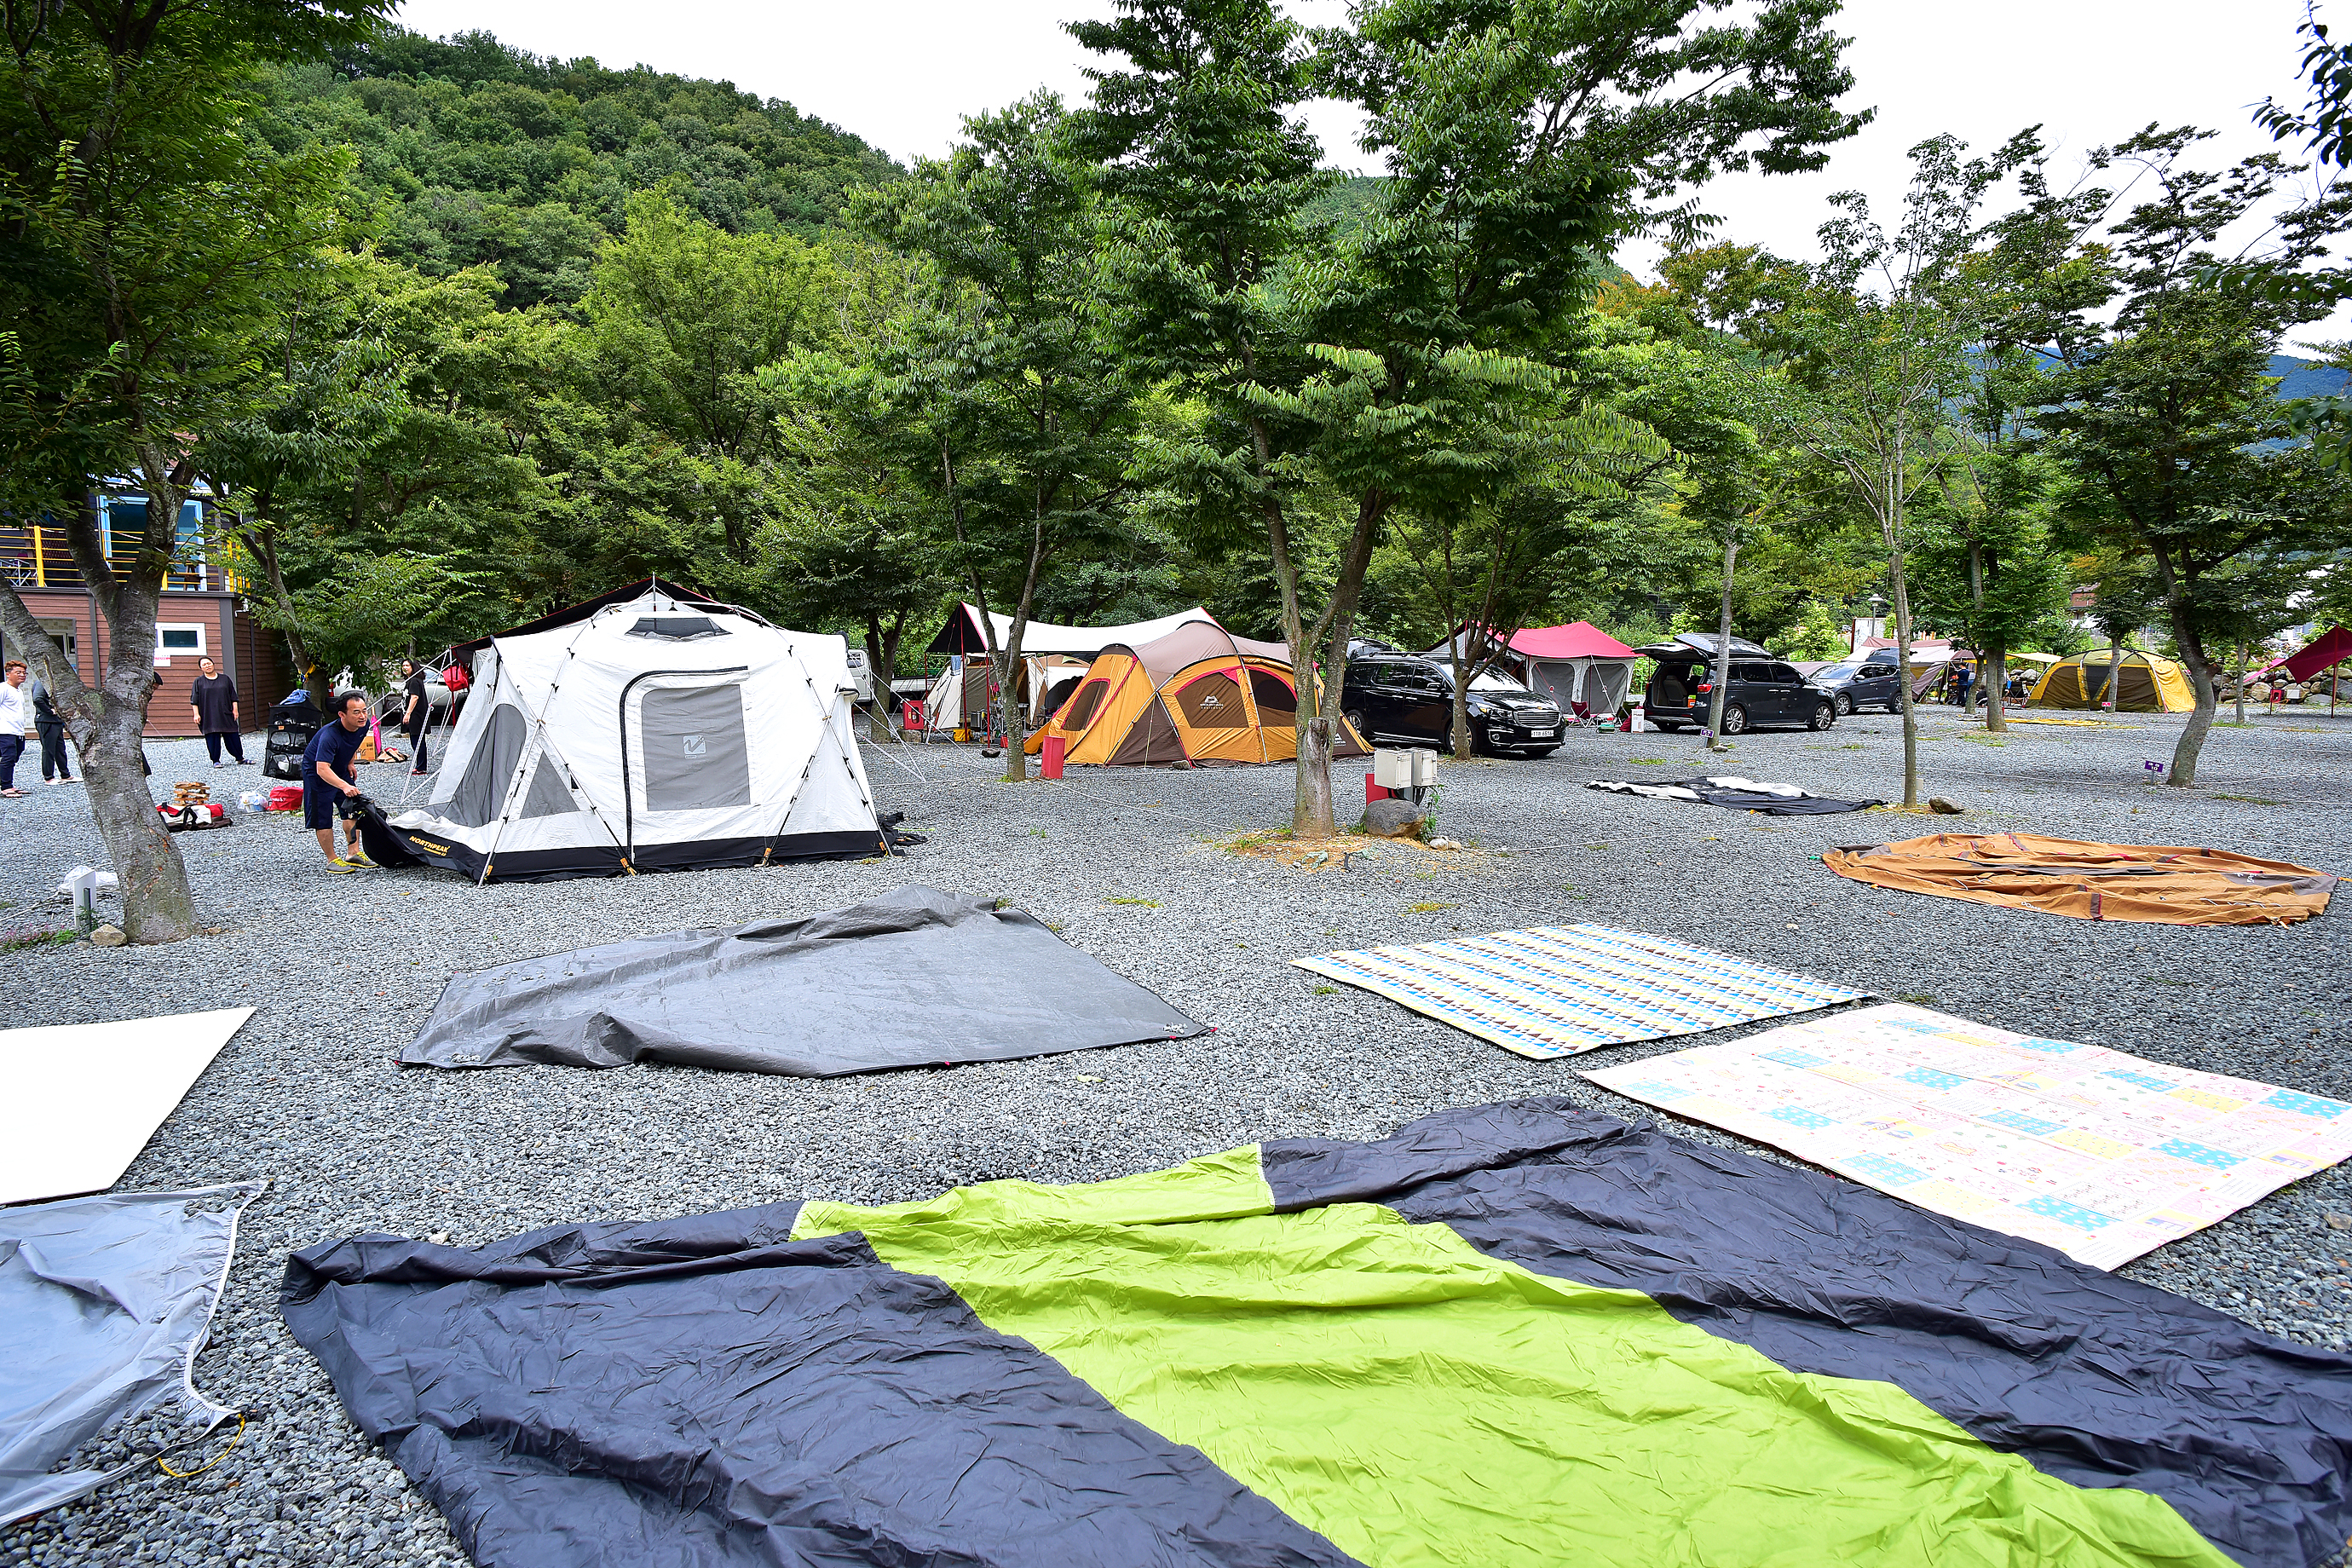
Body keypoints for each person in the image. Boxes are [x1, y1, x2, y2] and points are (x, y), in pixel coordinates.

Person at [303, 689, 378, 872]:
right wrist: (344, 785)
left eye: (364, 710)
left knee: (352, 809)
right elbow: (321, 768)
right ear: (342, 714)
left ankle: (353, 853)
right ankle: (332, 859)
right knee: (323, 815)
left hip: (339, 768)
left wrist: (350, 762)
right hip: (318, 773)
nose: (362, 716)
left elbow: (355, 742)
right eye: (356, 712)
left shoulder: (363, 725)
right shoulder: (330, 735)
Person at [189, 656, 245, 765]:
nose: (207, 666)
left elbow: (233, 696)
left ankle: (239, 758)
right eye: (204, 665)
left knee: (232, 735)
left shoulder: (225, 679)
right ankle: (216, 760)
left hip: (225, 712)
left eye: (209, 663)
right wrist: (196, 714)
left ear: (213, 664)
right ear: (201, 668)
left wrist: (235, 710)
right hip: (208, 714)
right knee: (212, 737)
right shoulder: (199, 682)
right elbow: (194, 700)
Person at [26, 665, 75, 783]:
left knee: (60, 748)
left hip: (56, 721)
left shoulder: (53, 684)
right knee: (48, 749)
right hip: (46, 720)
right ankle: (49, 777)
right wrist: (49, 710)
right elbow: (37, 698)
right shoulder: (41, 682)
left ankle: (65, 775)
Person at [0, 661, 28, 797]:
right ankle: (5, 787)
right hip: (5, 731)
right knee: (8, 757)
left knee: (15, 756)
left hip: (18, 730)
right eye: (18, 673)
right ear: (8, 674)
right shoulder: (3, 688)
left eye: (24, 673)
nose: (22, 675)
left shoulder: (19, 691)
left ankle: (8, 784)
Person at [400, 659, 430, 776]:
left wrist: (408, 713)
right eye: (403, 665)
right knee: (416, 741)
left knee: (417, 742)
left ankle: (421, 767)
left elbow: (415, 697)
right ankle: (420, 765)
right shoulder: (412, 680)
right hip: (414, 715)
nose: (405, 667)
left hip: (416, 716)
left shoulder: (414, 681)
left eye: (407, 665)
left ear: (414, 667)